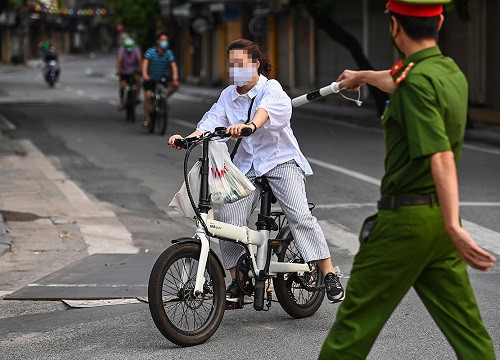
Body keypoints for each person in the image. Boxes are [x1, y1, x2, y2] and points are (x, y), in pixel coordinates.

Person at [319, 1, 496, 359]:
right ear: (440, 22)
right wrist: (363, 76)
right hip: (437, 229)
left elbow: (441, 155)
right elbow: (395, 78)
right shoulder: (448, 71)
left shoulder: (415, 81)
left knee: (352, 330)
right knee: (468, 332)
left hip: (405, 224)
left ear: (395, 27)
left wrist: (455, 225)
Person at [168, 39, 345, 304]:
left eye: (240, 64)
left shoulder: (270, 88)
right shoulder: (229, 95)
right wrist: (188, 139)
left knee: (299, 215)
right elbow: (211, 121)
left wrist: (250, 125)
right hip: (245, 168)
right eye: (231, 65)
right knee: (225, 224)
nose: (234, 69)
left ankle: (329, 273)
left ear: (256, 64)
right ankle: (238, 281)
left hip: (279, 161)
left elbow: (269, 111)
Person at [142, 33, 179, 128]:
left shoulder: (168, 53)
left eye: (166, 40)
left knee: (176, 85)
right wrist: (145, 75)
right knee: (148, 96)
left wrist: (175, 77)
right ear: (158, 41)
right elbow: (145, 63)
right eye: (162, 40)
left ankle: (163, 98)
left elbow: (173, 65)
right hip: (150, 78)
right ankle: (147, 118)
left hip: (161, 77)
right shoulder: (151, 51)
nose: (164, 42)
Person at [117, 38, 142, 110]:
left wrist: (141, 70)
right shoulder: (122, 50)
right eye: (127, 46)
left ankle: (137, 96)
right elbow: (119, 60)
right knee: (122, 86)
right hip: (124, 72)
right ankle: (122, 101)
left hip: (134, 71)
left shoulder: (136, 49)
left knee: (138, 80)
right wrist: (118, 70)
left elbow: (139, 59)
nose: (129, 48)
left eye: (130, 46)